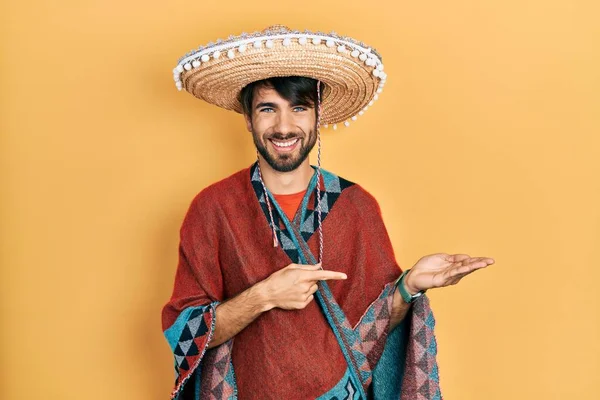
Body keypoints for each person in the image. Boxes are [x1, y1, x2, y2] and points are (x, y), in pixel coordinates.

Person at [162, 25, 495, 400]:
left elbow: (373, 329)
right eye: (267, 109)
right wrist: (265, 295)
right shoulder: (214, 208)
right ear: (247, 118)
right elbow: (184, 333)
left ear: (318, 116)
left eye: (299, 108)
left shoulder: (355, 206)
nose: (284, 126)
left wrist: (408, 287)